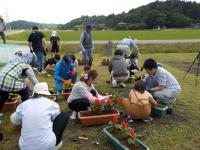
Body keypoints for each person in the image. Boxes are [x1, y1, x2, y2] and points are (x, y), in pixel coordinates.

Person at [10, 82, 68, 150]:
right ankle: (56, 144)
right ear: (46, 93)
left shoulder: (24, 105)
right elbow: (56, 119)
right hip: (47, 146)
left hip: (24, 147)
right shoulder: (52, 104)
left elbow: (14, 120)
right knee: (63, 116)